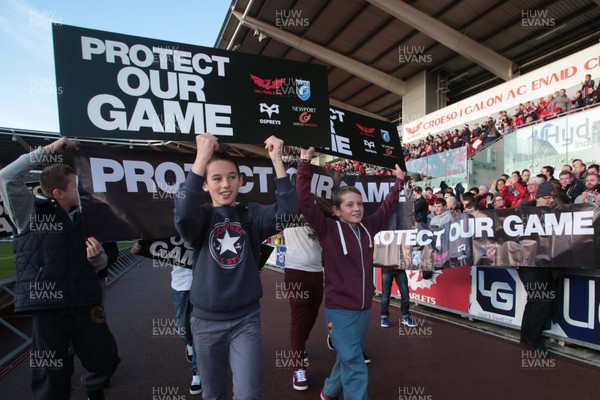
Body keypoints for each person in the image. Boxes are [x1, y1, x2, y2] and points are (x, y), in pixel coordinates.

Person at [174, 132, 298, 400]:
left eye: (231, 177)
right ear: (205, 186)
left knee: (248, 395)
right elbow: (183, 214)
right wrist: (202, 157)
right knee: (213, 394)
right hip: (205, 323)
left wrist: (277, 159)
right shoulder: (202, 217)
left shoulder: (250, 214)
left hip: (246, 321)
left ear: (241, 181)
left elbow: (288, 213)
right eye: (216, 178)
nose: (225, 184)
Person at [0, 137, 119, 400]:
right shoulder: (29, 213)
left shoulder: (89, 215)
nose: (82, 190)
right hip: (48, 307)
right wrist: (49, 150)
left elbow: (102, 261)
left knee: (106, 360)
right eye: (75, 186)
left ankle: (91, 388)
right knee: (51, 373)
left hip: (85, 302)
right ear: (58, 193)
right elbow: (7, 178)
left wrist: (97, 260)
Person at [296, 147, 404, 400]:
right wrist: (304, 163)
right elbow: (304, 201)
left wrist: (399, 182)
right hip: (340, 310)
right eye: (350, 205)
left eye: (359, 204)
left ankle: (328, 392)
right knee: (355, 364)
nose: (357, 209)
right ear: (336, 210)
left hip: (364, 309)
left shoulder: (369, 226)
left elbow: (387, 208)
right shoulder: (327, 229)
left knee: (349, 355)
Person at [282, 223, 324, 391]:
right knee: (299, 319)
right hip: (295, 270)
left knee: (312, 314)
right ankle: (298, 368)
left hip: (317, 270)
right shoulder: (288, 205)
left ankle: (300, 345)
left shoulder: (320, 206)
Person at [517, 181, 557, 352]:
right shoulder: (523, 212)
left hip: (546, 265)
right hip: (527, 265)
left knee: (535, 300)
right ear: (538, 198)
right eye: (547, 198)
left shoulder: (557, 213)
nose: (550, 201)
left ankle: (526, 336)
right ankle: (535, 341)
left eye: (552, 198)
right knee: (541, 299)